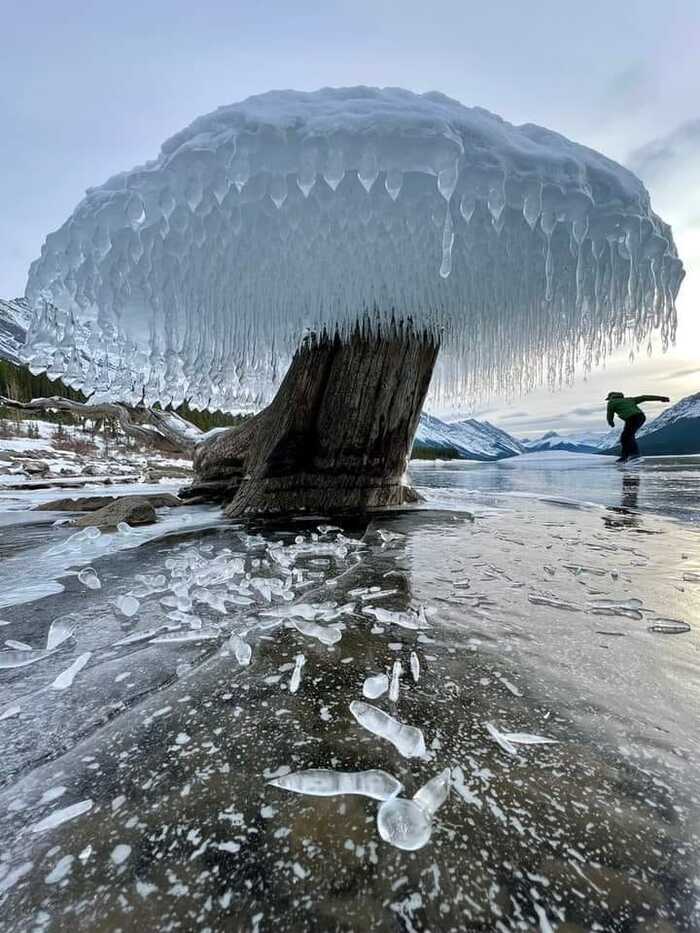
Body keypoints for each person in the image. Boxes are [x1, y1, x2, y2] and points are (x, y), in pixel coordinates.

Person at [605, 391, 670, 462]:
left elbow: (609, 414)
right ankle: (625, 457)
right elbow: (644, 397)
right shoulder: (629, 399)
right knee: (625, 437)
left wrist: (610, 422)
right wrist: (661, 398)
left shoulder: (611, 402)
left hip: (631, 418)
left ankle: (634, 455)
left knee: (627, 436)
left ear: (611, 397)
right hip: (640, 417)